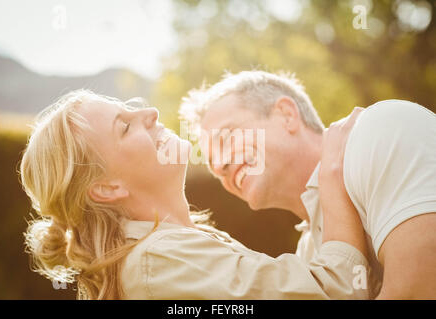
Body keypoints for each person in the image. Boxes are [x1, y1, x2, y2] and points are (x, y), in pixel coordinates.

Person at [20, 89, 369, 300]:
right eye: (125, 126)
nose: (150, 113)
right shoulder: (161, 259)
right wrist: (332, 173)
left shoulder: (174, 249)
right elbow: (337, 291)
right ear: (108, 188)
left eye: (131, 108)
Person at [180, 70, 436, 299]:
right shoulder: (310, 253)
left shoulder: (379, 131)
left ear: (287, 115)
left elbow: (417, 291)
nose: (220, 167)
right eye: (212, 163)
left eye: (227, 137)